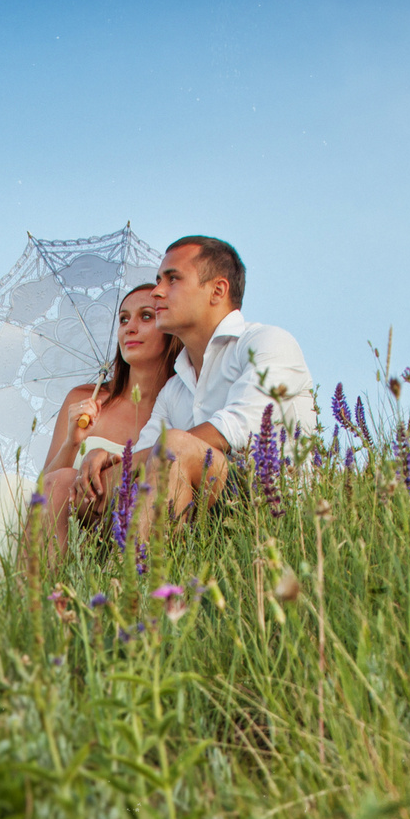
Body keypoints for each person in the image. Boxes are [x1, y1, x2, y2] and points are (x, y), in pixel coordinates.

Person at [81, 236, 316, 532]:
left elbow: (231, 430)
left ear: (217, 290)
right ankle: (44, 579)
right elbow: (143, 455)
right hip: (200, 512)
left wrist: (125, 464)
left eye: (172, 279)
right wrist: (100, 467)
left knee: (175, 446)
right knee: (62, 483)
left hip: (271, 506)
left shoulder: (266, 342)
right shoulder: (174, 388)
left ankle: (140, 576)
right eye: (158, 281)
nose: (156, 292)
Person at [25, 282, 180, 574]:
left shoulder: (176, 409)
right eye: (123, 319)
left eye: (146, 317)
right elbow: (44, 488)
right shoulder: (86, 398)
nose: (129, 328)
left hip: (126, 532)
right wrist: (72, 442)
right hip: (63, 527)